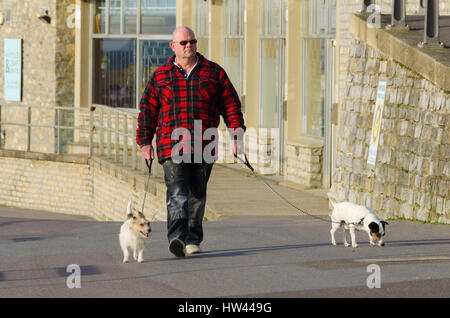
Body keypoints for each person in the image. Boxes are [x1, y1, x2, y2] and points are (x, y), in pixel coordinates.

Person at [136, 26, 245, 257]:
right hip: (171, 144)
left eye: (192, 41)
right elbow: (147, 111)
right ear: (173, 46)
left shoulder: (214, 73)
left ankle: (193, 239)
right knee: (177, 193)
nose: (189, 46)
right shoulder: (160, 76)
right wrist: (145, 142)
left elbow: (231, 105)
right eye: (183, 42)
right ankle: (176, 237)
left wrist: (236, 134)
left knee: (197, 195)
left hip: (204, 143)